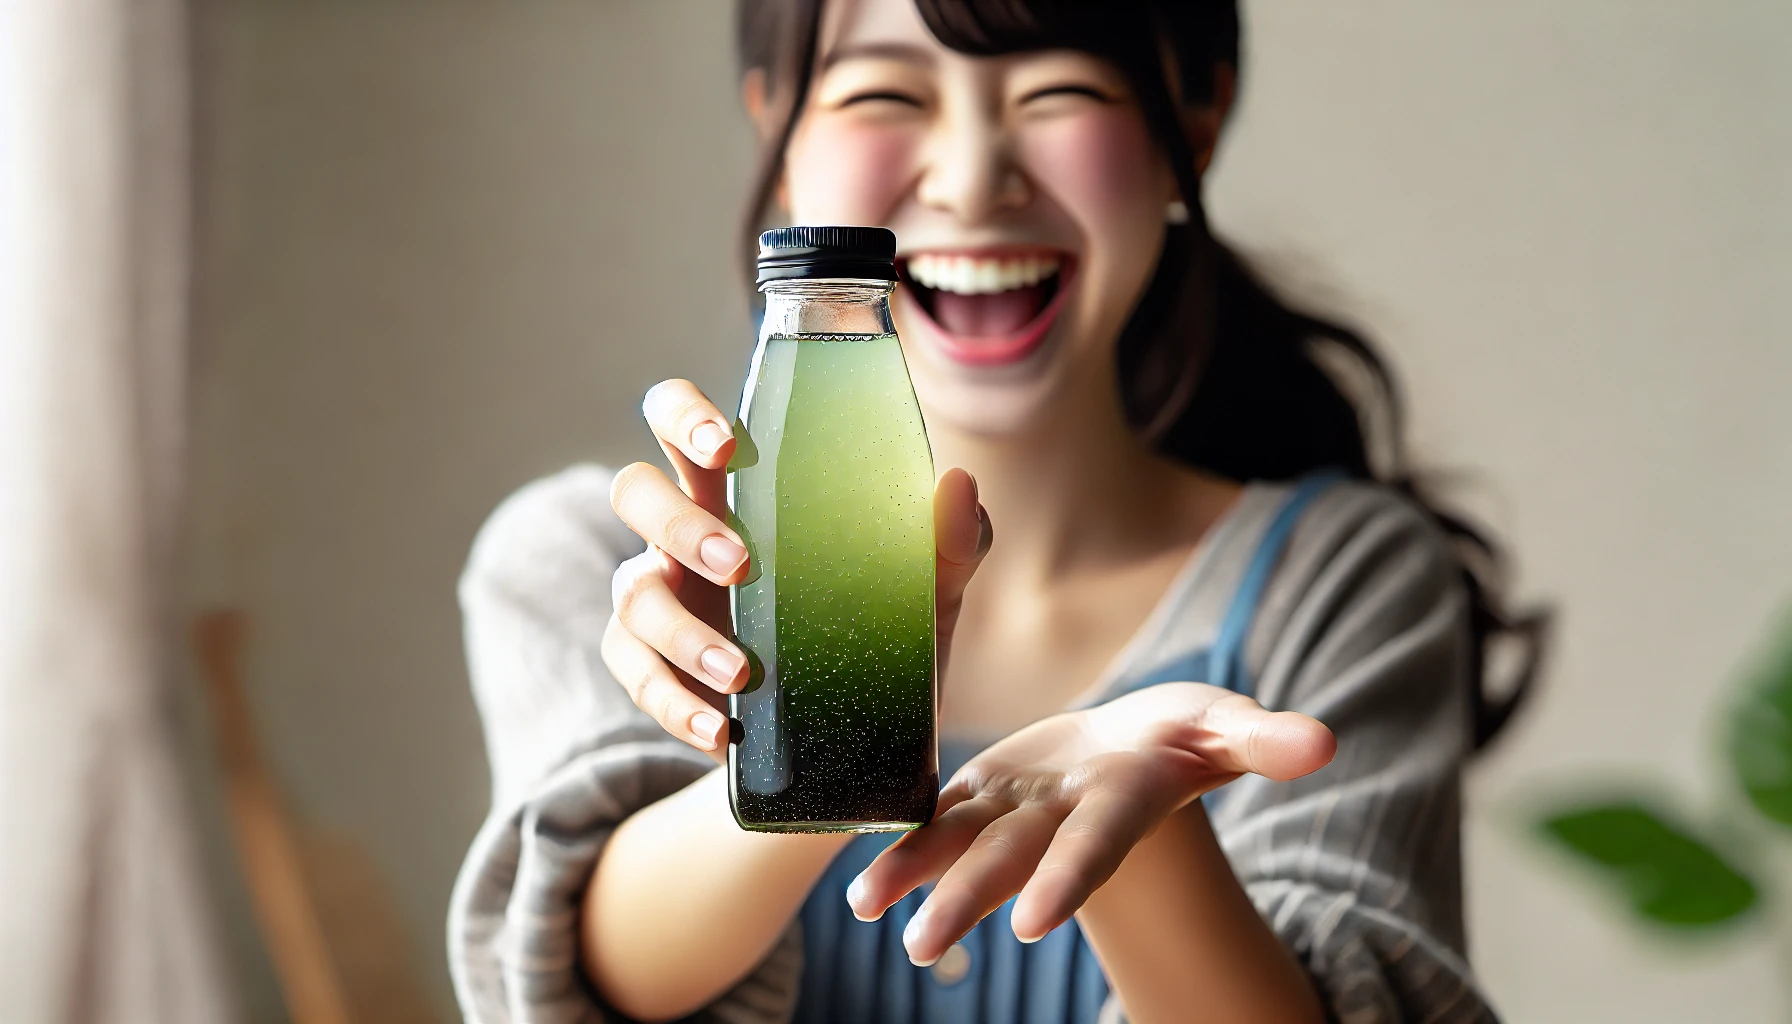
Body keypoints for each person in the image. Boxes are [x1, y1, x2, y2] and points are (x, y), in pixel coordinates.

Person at [447, 1, 1545, 1022]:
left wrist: (1140, 826)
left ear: (1194, 119)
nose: (974, 179)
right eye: (883, 94)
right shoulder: (598, 560)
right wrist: (822, 711)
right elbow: (572, 976)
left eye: (1057, 91)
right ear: (776, 132)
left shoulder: (1342, 579)